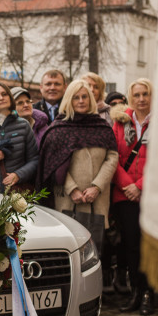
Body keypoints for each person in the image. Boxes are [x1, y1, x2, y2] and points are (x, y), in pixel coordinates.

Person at [37, 78, 119, 243]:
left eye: (84, 97)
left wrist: (97, 187)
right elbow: (53, 163)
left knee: (95, 247)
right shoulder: (59, 129)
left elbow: (112, 157)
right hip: (68, 199)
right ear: (69, 100)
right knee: (69, 243)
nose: (81, 101)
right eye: (76, 97)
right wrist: (72, 189)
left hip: (97, 197)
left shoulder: (102, 127)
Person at [111, 78, 155, 315]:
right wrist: (128, 186)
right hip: (124, 194)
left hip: (151, 193)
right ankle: (136, 291)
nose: (141, 99)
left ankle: (149, 293)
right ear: (130, 97)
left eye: (145, 94)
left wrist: (141, 186)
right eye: (136, 94)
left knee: (149, 245)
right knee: (131, 247)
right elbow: (113, 156)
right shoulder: (120, 122)